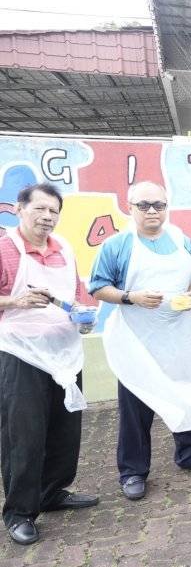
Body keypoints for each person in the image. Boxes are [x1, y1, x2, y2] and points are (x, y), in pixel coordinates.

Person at [91, 182, 191, 501]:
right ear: (130, 207)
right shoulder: (117, 245)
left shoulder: (181, 239)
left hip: (178, 333)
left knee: (185, 391)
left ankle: (189, 454)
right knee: (136, 406)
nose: (152, 211)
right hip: (136, 339)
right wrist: (132, 297)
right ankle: (132, 471)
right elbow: (98, 288)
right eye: (144, 205)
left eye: (159, 205)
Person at [0, 183, 98, 545]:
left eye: (53, 211)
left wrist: (84, 314)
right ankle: (20, 512)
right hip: (20, 352)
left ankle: (53, 491)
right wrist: (13, 302)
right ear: (19, 209)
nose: (47, 217)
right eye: (39, 209)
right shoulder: (5, 248)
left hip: (64, 350)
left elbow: (74, 294)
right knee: (23, 435)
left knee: (65, 427)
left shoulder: (64, 248)